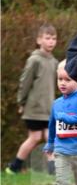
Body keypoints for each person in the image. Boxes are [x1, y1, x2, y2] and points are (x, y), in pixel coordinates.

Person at [6, 23, 58, 175]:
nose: (51, 42)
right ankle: (15, 166)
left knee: (49, 136)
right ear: (39, 40)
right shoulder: (34, 60)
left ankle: (52, 169)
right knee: (35, 137)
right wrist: (21, 102)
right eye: (47, 38)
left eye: (54, 38)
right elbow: (25, 82)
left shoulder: (54, 62)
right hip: (34, 107)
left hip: (48, 108)